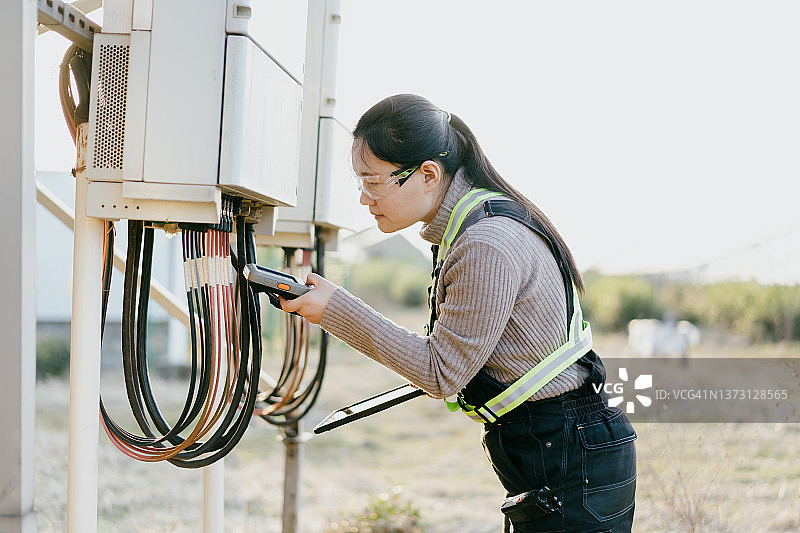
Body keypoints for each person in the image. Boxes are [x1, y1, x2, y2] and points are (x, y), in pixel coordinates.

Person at [281, 94, 636, 532]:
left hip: (567, 450)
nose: (363, 198)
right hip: (560, 441)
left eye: (373, 182)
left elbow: (441, 373)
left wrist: (335, 309)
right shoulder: (472, 227)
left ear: (428, 174)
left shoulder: (484, 243)